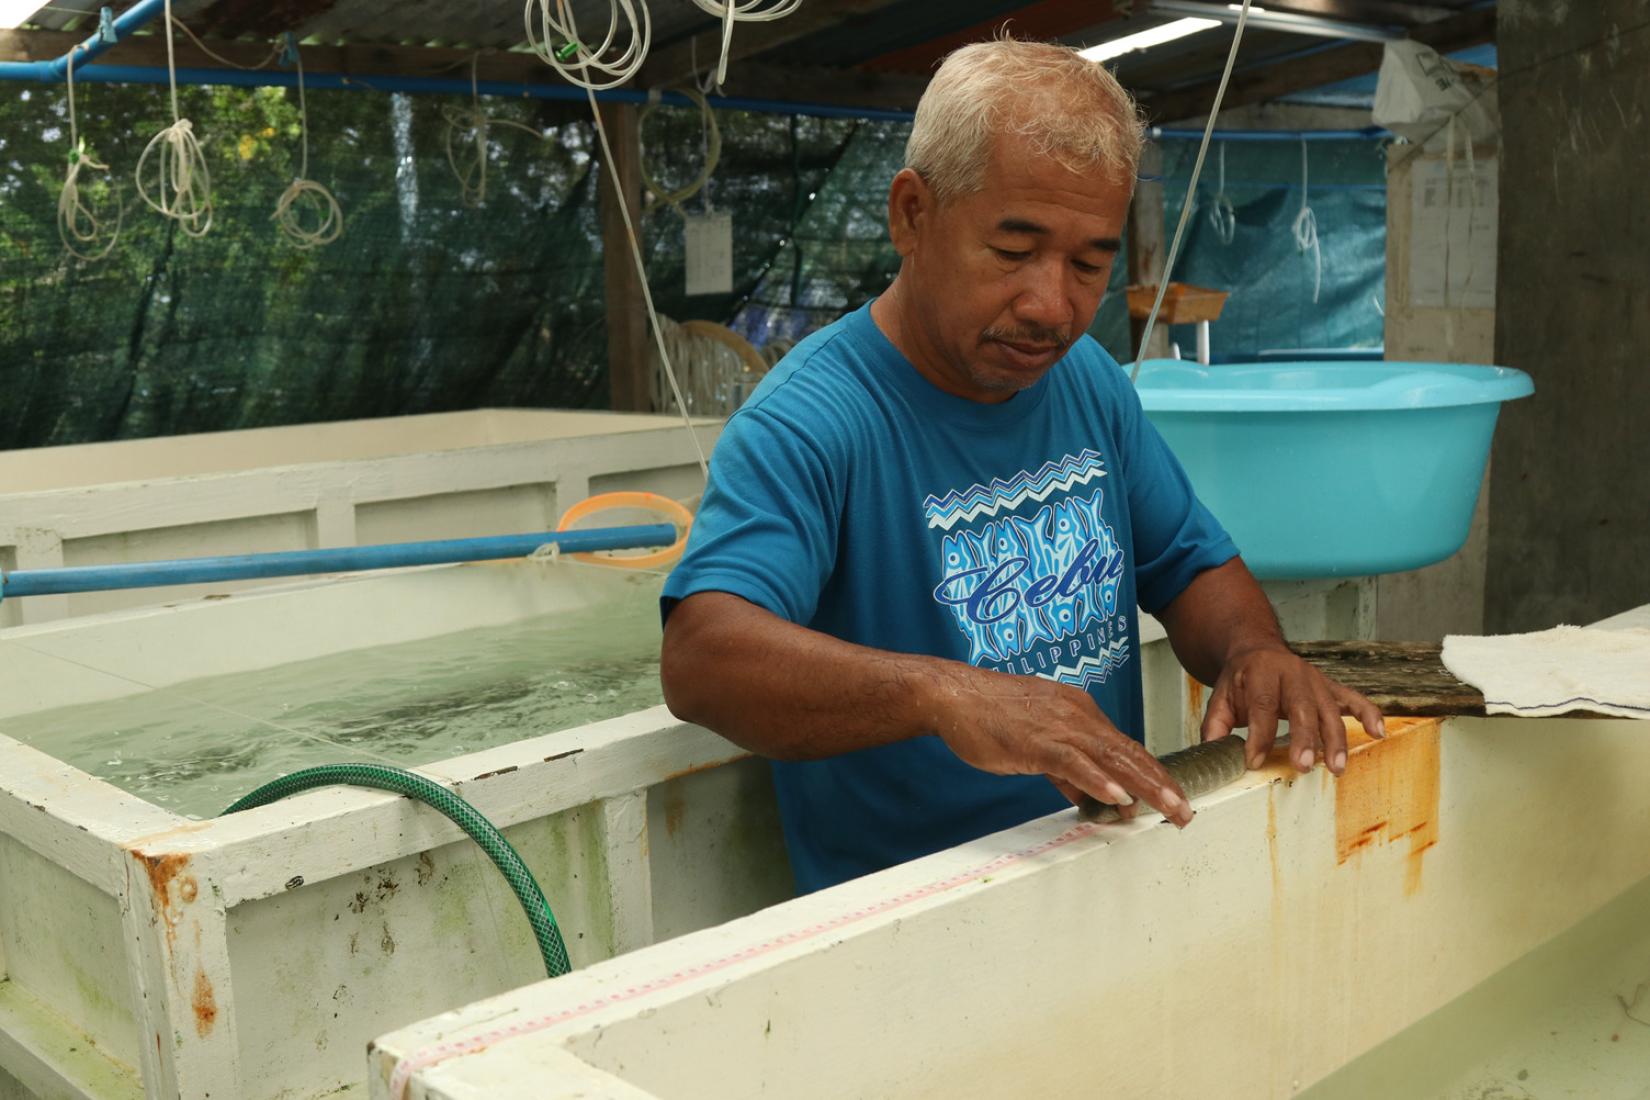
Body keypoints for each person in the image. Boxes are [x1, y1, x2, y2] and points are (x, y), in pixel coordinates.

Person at [658, 37, 1384, 894]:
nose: (1052, 305)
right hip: (915, 920)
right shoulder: (810, 423)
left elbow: (1188, 563)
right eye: (1012, 251)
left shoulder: (1087, 384)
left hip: (1103, 866)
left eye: (1089, 263)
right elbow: (703, 657)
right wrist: (948, 695)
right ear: (912, 216)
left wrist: (1254, 651)